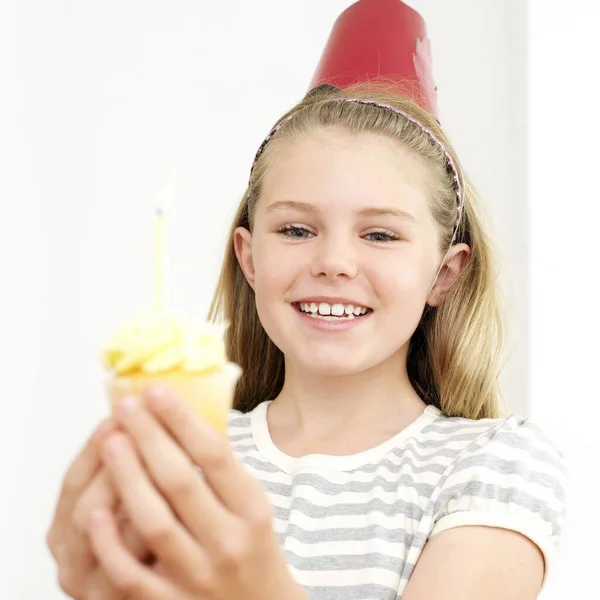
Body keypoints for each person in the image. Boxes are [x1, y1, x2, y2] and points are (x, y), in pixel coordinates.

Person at [46, 2, 567, 599]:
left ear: (444, 275)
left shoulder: (491, 467)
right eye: (296, 230)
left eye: (380, 234)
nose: (334, 262)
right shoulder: (182, 459)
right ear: (248, 256)